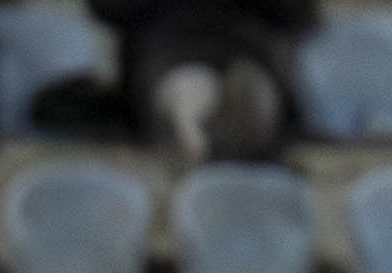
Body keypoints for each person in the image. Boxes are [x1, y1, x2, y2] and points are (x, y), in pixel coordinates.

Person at [91, 0, 312, 165]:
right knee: (184, 88)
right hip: (167, 51)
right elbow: (108, 8)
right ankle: (197, 132)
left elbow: (300, 14)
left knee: (251, 92)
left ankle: (233, 131)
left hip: (247, 53)